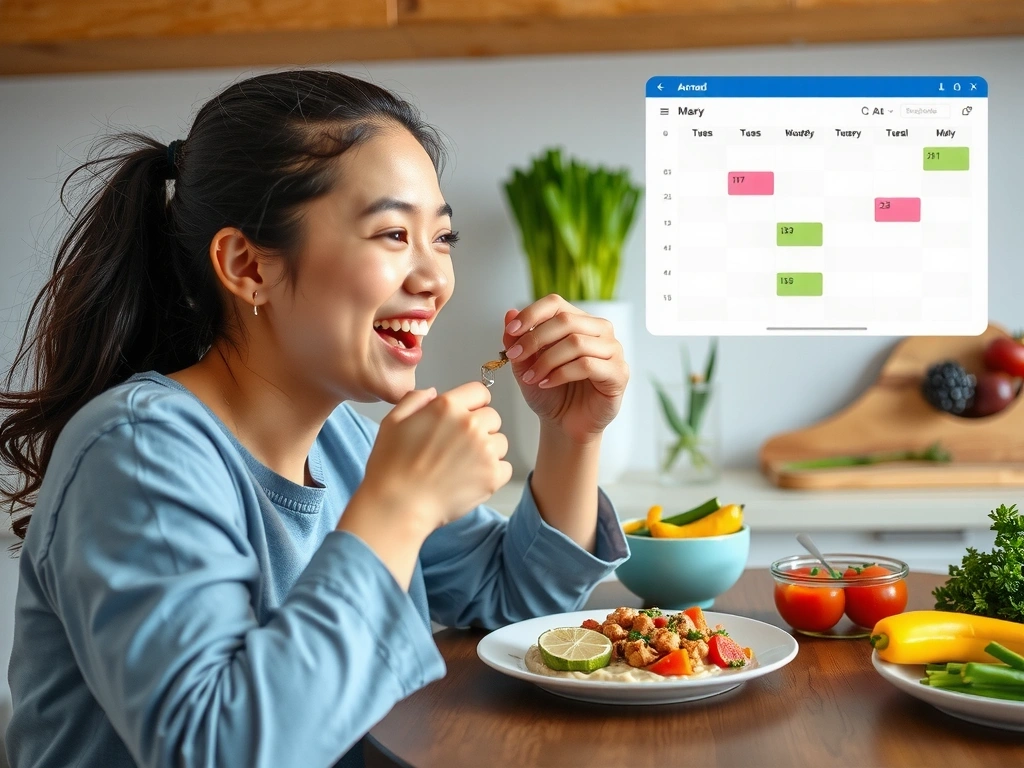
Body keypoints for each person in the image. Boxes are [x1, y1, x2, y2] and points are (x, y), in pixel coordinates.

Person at [0, 70, 630, 768]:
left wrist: (573, 434)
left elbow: (515, 601)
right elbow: (219, 751)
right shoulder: (140, 453)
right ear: (248, 266)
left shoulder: (344, 443)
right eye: (393, 233)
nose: (434, 279)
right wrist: (397, 508)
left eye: (441, 238)